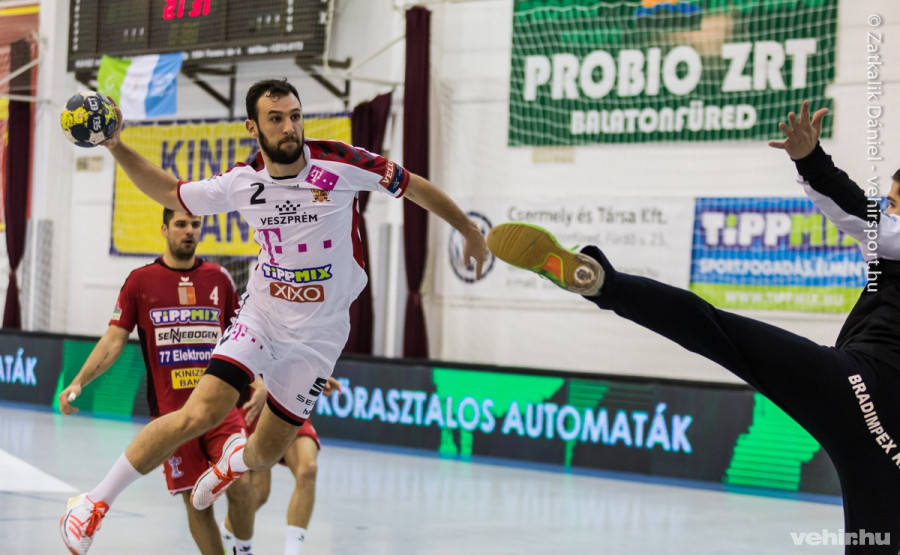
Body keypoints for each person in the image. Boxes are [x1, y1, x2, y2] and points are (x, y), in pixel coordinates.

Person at [61, 78, 488, 554]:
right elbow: (171, 193)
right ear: (253, 127)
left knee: (263, 455)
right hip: (262, 316)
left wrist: (469, 230)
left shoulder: (341, 163)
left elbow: (413, 186)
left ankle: (231, 465)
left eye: (295, 116)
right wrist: (115, 146)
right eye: (276, 119)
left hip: (321, 335)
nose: (290, 127)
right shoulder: (242, 182)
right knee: (199, 413)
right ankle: (92, 503)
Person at [486, 101, 900, 555]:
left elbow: (863, 216)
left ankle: (605, 284)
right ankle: (605, 284)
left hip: (861, 390)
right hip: (885, 437)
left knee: (714, 330)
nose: (886, 210)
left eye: (895, 204)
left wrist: (811, 161)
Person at [58, 209, 256, 555]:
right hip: (170, 415)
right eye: (181, 224)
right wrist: (79, 381)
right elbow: (114, 340)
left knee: (241, 484)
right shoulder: (140, 281)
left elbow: (245, 337)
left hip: (220, 407)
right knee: (196, 504)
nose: (189, 231)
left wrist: (262, 381)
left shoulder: (220, 279)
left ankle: (245, 549)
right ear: (164, 229)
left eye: (195, 225)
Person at [221, 376, 341, 555]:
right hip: (256, 403)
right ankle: (224, 536)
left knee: (308, 470)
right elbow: (235, 359)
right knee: (259, 493)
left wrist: (318, 375)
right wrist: (261, 386)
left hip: (291, 402)